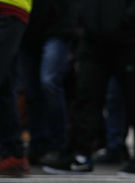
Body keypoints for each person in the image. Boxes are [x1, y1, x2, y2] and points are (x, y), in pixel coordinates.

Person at [43, 0, 135, 177]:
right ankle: (80, 155)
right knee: (86, 96)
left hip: (130, 41)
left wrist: (126, 22)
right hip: (94, 39)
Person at [17, 0, 76, 167]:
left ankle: (59, 144)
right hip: (27, 29)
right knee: (31, 91)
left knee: (49, 82)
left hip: (58, 27)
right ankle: (38, 143)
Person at [0, 0, 30, 177]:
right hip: (12, 10)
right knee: (5, 86)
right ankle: (13, 154)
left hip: (8, 8)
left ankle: (14, 153)